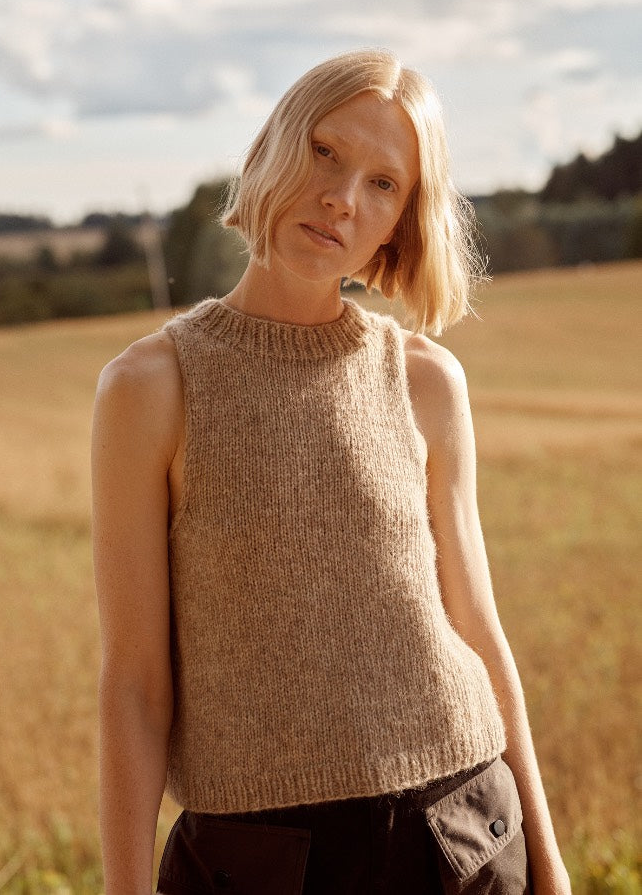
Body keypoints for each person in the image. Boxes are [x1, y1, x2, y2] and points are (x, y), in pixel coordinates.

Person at [91, 49, 571, 894]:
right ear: (269, 149)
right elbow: (134, 682)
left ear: (401, 222)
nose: (343, 198)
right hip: (261, 860)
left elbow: (478, 630)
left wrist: (553, 866)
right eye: (326, 152)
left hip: (461, 833)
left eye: (384, 184)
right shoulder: (150, 386)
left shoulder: (426, 379)